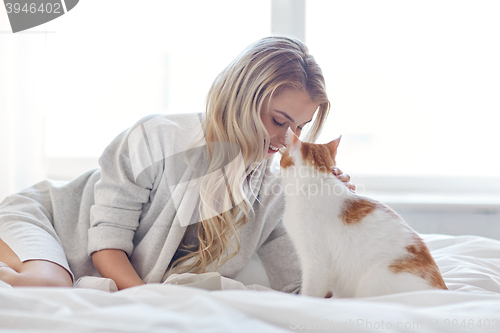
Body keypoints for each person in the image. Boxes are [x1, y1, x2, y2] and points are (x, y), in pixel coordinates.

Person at [0, 36, 355, 291]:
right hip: (45, 217)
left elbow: (299, 281)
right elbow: (107, 246)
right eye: (279, 121)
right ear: (243, 98)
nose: (288, 140)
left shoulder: (274, 193)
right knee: (48, 283)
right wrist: (143, 301)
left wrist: (330, 212)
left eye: (300, 127)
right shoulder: (157, 138)